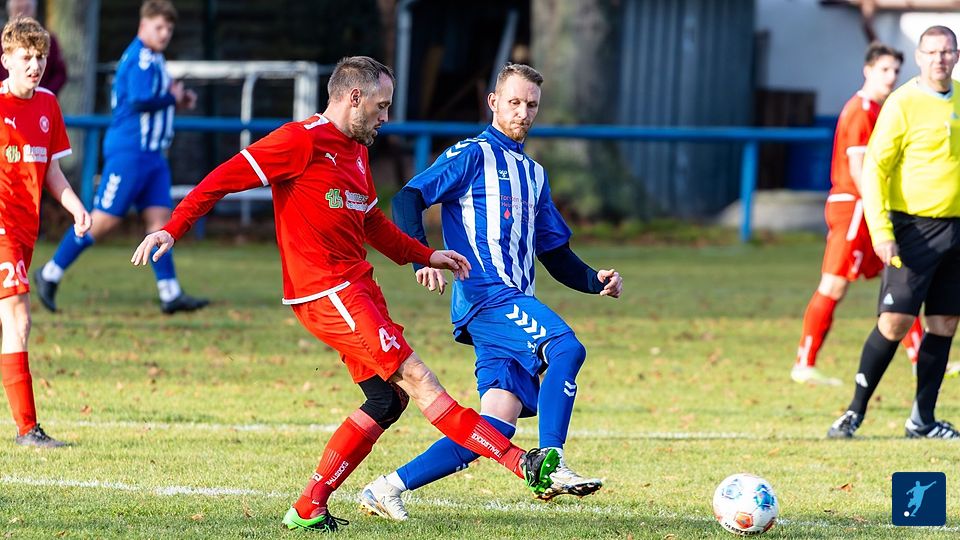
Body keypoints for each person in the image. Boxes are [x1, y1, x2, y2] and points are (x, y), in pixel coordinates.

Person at [130, 56, 568, 533]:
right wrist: (173, 227)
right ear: (354, 97)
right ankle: (521, 463)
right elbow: (222, 179)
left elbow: (372, 223)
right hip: (327, 289)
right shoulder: (299, 141)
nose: (386, 117)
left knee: (387, 400)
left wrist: (425, 255)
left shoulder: (357, 150)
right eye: (381, 106)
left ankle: (308, 507)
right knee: (418, 378)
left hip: (359, 287)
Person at [358, 63, 621, 521]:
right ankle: (552, 461)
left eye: (531, 105)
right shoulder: (473, 154)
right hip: (486, 295)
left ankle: (386, 488)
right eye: (514, 102)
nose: (522, 112)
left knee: (494, 426)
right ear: (494, 102)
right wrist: (423, 257)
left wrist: (592, 279)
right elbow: (408, 198)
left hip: (510, 303)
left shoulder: (534, 175)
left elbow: (554, 252)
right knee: (566, 348)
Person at [828, 25, 960, 439]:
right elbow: (874, 170)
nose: (940, 58)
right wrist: (881, 230)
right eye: (932, 52)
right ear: (919, 57)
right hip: (912, 228)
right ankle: (854, 411)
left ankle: (922, 420)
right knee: (895, 322)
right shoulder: (902, 103)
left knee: (944, 322)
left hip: (956, 229)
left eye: (947, 51)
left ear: (956, 56)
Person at [33, 0, 207, 315]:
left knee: (159, 222)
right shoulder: (140, 58)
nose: (164, 33)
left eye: (169, 28)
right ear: (143, 26)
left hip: (153, 156)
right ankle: (50, 272)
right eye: (159, 27)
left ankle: (170, 293)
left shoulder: (155, 59)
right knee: (103, 220)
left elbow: (152, 99)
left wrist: (177, 100)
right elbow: (140, 100)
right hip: (130, 154)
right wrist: (172, 97)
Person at [792, 43, 923, 386]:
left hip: (868, 209)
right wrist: (882, 210)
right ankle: (804, 363)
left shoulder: (880, 109)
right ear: (867, 70)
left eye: (895, 71)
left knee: (900, 278)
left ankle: (921, 358)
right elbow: (859, 167)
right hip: (856, 208)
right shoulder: (861, 110)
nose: (891, 77)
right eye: (884, 70)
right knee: (833, 284)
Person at [0, 17, 90, 447]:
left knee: (10, 322)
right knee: (18, 318)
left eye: (40, 57)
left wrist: (75, 207)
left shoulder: (49, 104)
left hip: (25, 228)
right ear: (6, 60)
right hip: (2, 228)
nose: (35, 65)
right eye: (26, 57)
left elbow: (50, 169)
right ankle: (27, 429)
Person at [0, 0, 66, 95]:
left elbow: (60, 73)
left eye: (27, 8)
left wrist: (43, 93)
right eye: (18, 9)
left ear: (34, 11)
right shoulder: (2, 39)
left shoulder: (48, 39)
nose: (22, 14)